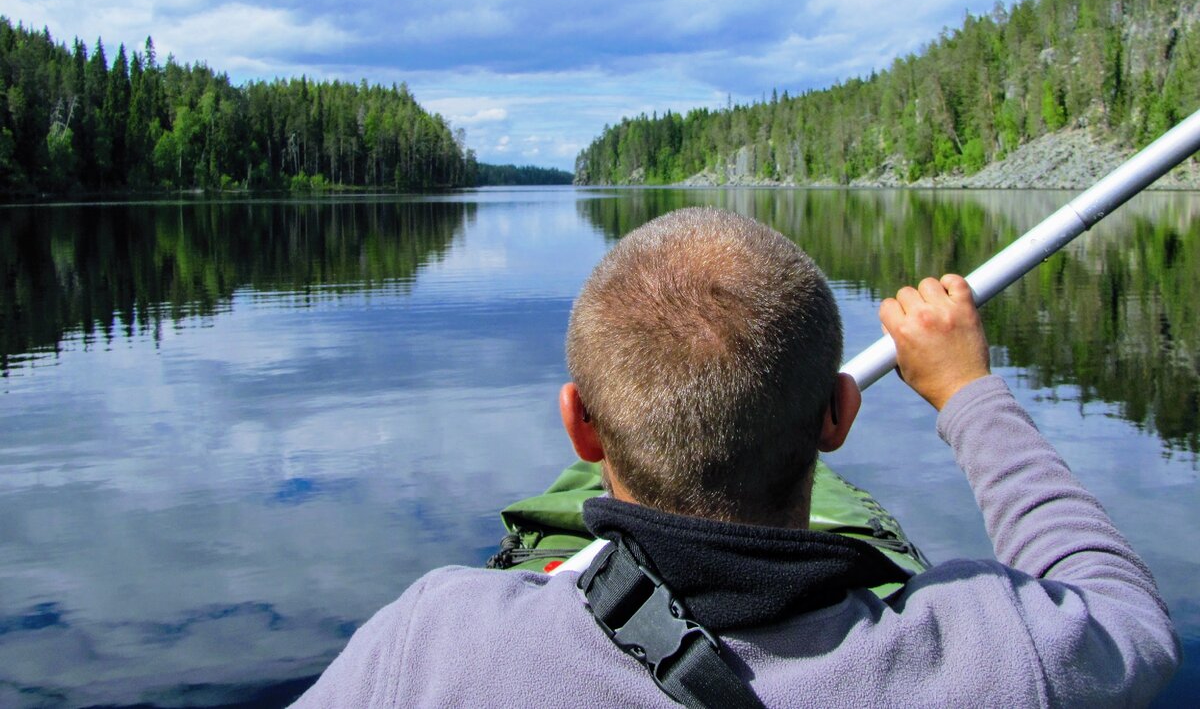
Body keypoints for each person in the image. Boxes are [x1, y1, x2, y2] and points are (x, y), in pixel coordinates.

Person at [294, 207, 1179, 707]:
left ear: (582, 428)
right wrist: (967, 392)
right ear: (838, 416)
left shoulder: (439, 640)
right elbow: (1127, 612)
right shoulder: (993, 651)